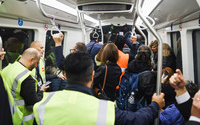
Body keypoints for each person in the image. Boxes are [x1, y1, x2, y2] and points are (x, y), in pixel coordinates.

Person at [33, 51, 165, 125]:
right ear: (92, 76)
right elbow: (136, 120)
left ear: (65, 75)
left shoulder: (41, 103)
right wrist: (155, 105)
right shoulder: (105, 109)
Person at [1, 48, 49, 125]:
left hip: (5, 113)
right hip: (20, 118)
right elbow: (33, 102)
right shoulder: (26, 78)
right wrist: (42, 91)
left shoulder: (7, 68)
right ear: (31, 59)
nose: (36, 65)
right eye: (37, 63)